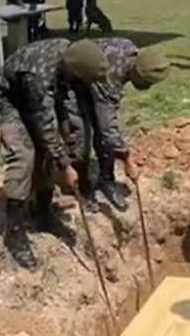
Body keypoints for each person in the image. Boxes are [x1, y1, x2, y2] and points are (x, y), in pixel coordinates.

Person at [0, 38, 108, 269]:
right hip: (9, 99)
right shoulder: (38, 76)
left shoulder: (70, 53)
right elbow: (44, 125)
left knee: (47, 150)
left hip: (33, 97)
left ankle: (43, 213)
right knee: (24, 156)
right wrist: (65, 166)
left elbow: (62, 90)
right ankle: (14, 233)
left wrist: (65, 124)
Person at [66, 39, 170, 212]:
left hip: (94, 82)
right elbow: (108, 129)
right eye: (147, 82)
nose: (148, 87)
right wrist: (127, 159)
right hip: (72, 83)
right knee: (81, 135)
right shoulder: (112, 75)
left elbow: (106, 125)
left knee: (104, 131)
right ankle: (83, 187)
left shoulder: (130, 50)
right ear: (136, 74)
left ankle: (106, 179)